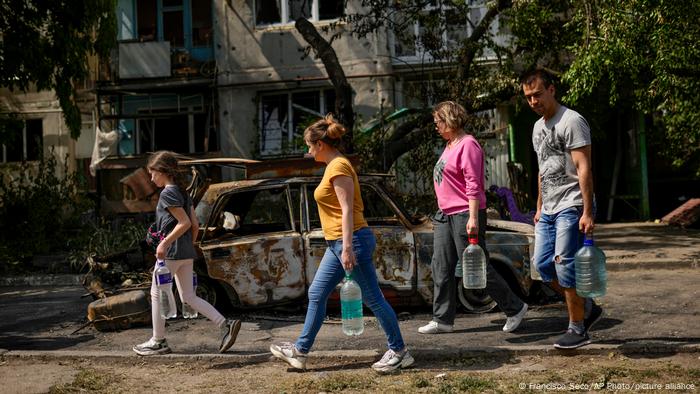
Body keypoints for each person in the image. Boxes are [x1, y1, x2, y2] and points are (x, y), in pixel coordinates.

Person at [269, 114, 413, 373]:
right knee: (316, 294)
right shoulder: (332, 166)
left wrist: (347, 247)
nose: (308, 150)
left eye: (309, 145)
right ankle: (300, 352)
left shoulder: (339, 167)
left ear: (320, 145)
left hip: (351, 241)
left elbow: (347, 210)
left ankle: (400, 351)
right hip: (337, 243)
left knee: (373, 298)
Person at [418, 101, 528, 335]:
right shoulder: (450, 145)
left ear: (449, 120)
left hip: (464, 213)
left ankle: (515, 307)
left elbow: (473, 184)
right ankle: (442, 319)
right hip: (445, 214)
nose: (436, 126)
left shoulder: (468, 145)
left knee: (475, 266)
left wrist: (473, 218)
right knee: (441, 266)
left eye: (438, 121)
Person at [520, 69, 603, 349]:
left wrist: (588, 212)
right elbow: (543, 170)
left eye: (537, 95)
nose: (533, 102)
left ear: (551, 90)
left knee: (564, 265)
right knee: (542, 265)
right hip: (549, 208)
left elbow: (584, 168)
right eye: (528, 97)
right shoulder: (536, 128)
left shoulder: (572, 120)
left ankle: (577, 328)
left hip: (572, 204)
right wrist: (539, 206)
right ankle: (586, 304)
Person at [133, 150, 241, 356]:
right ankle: (226, 324)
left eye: (152, 172)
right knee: (189, 296)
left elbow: (184, 223)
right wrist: (188, 246)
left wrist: (164, 244)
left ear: (163, 171)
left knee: (156, 293)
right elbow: (195, 224)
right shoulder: (183, 193)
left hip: (171, 254)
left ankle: (158, 341)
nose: (151, 177)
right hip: (185, 252)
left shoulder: (167, 193)